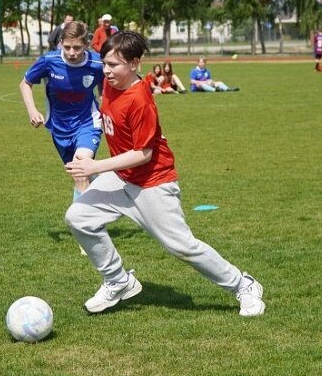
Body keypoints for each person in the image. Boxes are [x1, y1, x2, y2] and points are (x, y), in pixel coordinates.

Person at [64, 31, 265, 317]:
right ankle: (118, 281)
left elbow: (143, 154)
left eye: (113, 65)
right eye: (104, 63)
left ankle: (243, 285)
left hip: (152, 182)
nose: (106, 70)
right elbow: (103, 119)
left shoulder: (140, 99)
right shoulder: (111, 84)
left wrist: (94, 166)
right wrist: (85, 150)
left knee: (181, 246)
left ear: (134, 63)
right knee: (78, 217)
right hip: (123, 176)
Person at [19, 20, 105, 208]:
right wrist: (32, 110)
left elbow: (106, 85)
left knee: (79, 170)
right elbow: (25, 83)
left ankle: (83, 223)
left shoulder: (97, 63)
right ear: (61, 43)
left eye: (77, 47)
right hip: (59, 128)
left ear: (86, 45)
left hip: (88, 123)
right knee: (82, 174)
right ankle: (100, 187)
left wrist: (106, 107)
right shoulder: (49, 61)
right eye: (67, 47)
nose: (72, 52)